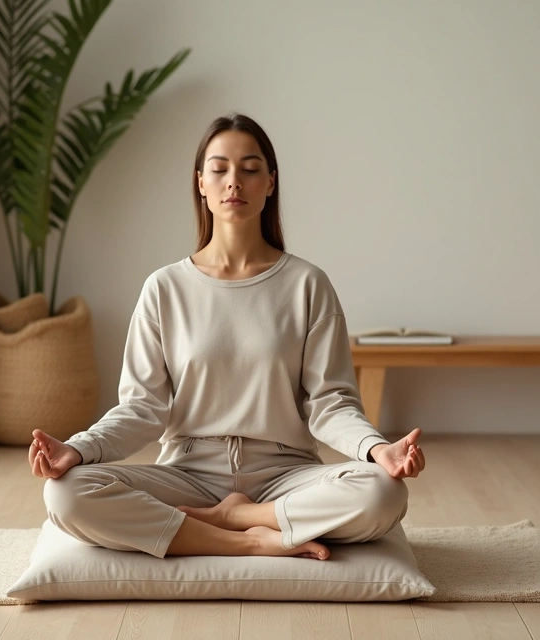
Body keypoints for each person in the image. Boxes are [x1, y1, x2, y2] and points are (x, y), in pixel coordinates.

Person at [28, 113, 426, 561]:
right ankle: (250, 539)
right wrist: (78, 450)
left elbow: (331, 402)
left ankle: (235, 518)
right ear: (201, 183)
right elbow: (142, 408)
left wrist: (378, 451)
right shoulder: (164, 288)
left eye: (250, 169)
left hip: (286, 475)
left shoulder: (307, 285)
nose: (233, 181)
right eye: (219, 169)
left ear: (271, 183)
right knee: (65, 494)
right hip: (187, 476)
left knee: (382, 494)